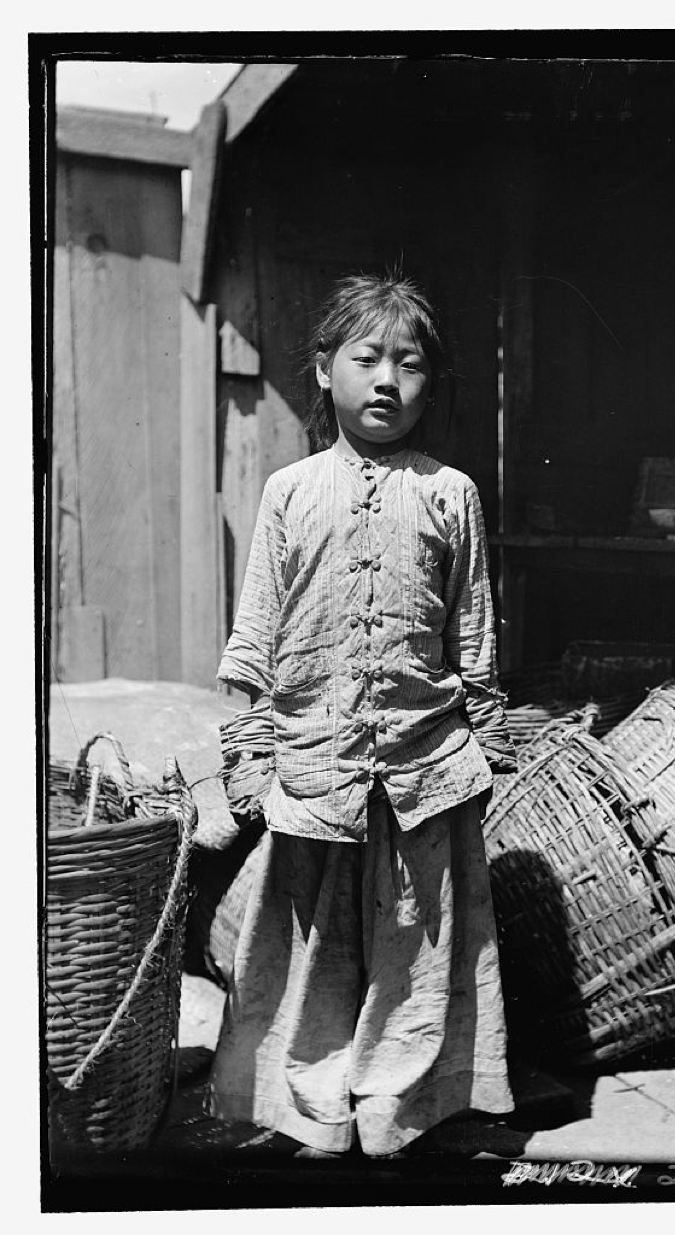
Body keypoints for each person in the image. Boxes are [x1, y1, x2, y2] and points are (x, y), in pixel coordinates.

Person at [207, 272, 519, 1159]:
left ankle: (396, 1109)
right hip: (314, 767)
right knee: (314, 952)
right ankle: (314, 1105)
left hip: (427, 766)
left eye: (409, 364)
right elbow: (257, 635)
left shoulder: (450, 493)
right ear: (322, 371)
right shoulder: (289, 491)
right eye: (366, 358)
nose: (387, 380)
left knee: (417, 954)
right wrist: (251, 758)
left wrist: (486, 751)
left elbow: (476, 634)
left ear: (430, 382)